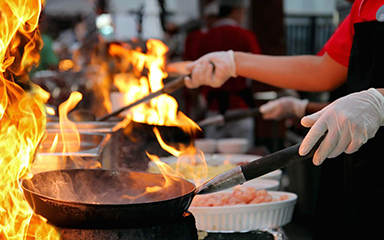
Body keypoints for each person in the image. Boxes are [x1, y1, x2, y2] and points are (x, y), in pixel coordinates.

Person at [184, 0, 384, 237]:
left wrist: (380, 102)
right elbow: (323, 70)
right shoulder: (364, 5)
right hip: (364, 166)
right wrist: (235, 62)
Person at [193, 0, 262, 145]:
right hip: (240, 108)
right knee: (243, 158)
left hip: (213, 107)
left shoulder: (205, 38)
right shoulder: (246, 36)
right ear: (235, 10)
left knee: (212, 159)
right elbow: (259, 69)